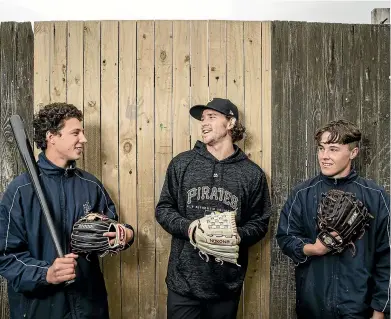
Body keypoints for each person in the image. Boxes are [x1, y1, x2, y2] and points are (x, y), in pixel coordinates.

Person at [0, 103, 135, 319]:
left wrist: (126, 235)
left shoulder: (90, 185)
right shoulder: (20, 190)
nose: (84, 139)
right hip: (40, 308)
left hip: (88, 305)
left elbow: (113, 228)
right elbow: (6, 256)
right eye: (76, 133)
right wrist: (46, 273)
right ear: (51, 136)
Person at [155, 98, 272, 319]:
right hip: (184, 283)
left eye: (212, 117)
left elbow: (260, 222)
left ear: (230, 123)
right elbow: (164, 209)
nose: (204, 123)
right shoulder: (182, 163)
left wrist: (234, 236)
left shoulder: (252, 174)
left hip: (225, 285)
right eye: (202, 119)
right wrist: (190, 228)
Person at [276, 119, 390, 319]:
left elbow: (388, 256)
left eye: (333, 149)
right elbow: (285, 237)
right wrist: (313, 248)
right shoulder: (302, 193)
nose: (324, 156)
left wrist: (379, 312)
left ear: (353, 153)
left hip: (358, 308)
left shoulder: (375, 196)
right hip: (312, 306)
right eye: (321, 148)